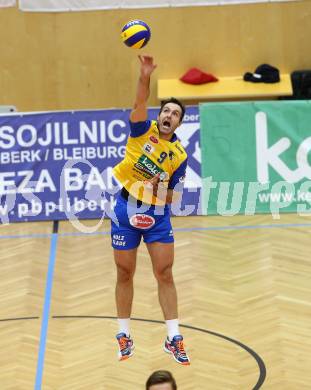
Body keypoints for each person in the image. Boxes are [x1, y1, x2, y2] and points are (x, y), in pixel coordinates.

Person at [111, 55, 190, 365]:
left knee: (165, 273)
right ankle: (123, 333)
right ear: (159, 116)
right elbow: (139, 99)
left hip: (156, 215)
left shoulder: (179, 155)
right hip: (125, 209)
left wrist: (159, 187)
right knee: (124, 272)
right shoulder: (142, 129)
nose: (169, 115)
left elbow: (174, 197)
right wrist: (144, 75)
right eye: (166, 110)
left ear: (180, 123)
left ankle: (173, 338)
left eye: (176, 113)